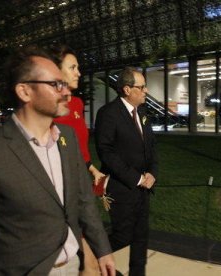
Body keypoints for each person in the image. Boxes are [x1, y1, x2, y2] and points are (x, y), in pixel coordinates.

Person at [0, 46, 116, 276]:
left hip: (74, 265)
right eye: (56, 84)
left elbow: (83, 200)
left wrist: (103, 249)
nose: (66, 92)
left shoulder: (68, 139)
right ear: (24, 91)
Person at [95, 67, 158, 276]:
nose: (146, 91)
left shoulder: (142, 113)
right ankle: (91, 262)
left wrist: (152, 173)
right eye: (141, 87)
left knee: (140, 239)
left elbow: (151, 148)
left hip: (143, 190)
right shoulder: (108, 114)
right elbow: (106, 153)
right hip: (121, 189)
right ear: (127, 89)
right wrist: (137, 178)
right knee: (122, 237)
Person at [51, 45, 105, 276]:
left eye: (78, 67)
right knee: (89, 260)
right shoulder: (52, 107)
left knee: (90, 257)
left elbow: (79, 144)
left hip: (81, 180)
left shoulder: (77, 104)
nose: (78, 72)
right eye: (72, 67)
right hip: (64, 186)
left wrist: (91, 168)